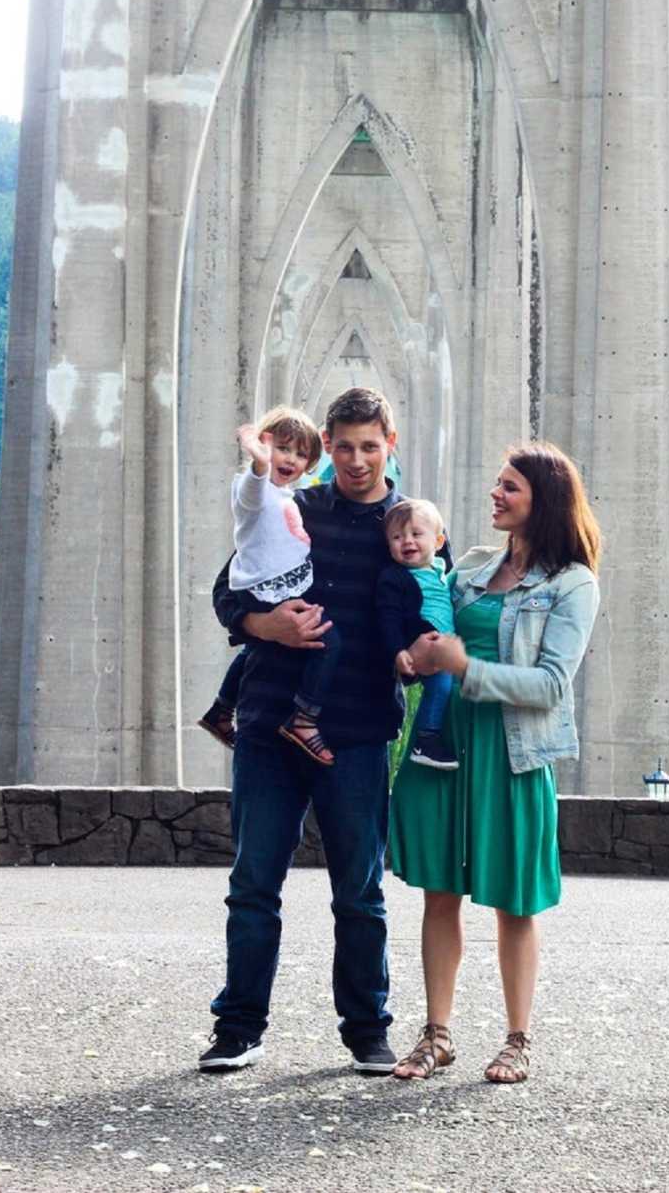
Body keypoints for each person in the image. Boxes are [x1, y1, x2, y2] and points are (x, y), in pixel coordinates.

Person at [199, 387, 405, 1075]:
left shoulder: (405, 528)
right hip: (266, 720)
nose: (354, 459)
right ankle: (238, 1029)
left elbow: (423, 611)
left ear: (390, 445)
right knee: (254, 882)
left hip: (357, 729)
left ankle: (368, 1030)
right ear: (326, 443)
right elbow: (227, 593)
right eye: (342, 446)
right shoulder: (294, 505)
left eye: (368, 446)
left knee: (360, 892)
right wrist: (264, 624)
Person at [389, 442, 601, 1085]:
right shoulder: (470, 567)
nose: (495, 494)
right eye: (497, 482)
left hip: (512, 754)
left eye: (509, 486)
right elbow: (424, 621)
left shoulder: (572, 583)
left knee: (514, 902)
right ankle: (437, 1036)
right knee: (439, 894)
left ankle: (518, 1040)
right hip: (442, 745)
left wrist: (464, 668)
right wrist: (409, 656)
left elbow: (550, 685)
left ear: (544, 499)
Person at [197, 406, 340, 766]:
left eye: (300, 453)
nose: (290, 458)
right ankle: (304, 719)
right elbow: (250, 493)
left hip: (280, 585)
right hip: (264, 588)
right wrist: (259, 464)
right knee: (328, 640)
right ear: (266, 446)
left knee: (253, 650)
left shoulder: (289, 497)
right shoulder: (256, 493)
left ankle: (220, 709)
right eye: (282, 448)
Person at [376, 499, 458, 770]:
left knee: (449, 689)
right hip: (420, 644)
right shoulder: (394, 577)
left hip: (444, 646)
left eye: (416, 534)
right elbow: (387, 618)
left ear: (438, 541)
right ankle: (426, 738)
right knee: (441, 685)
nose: (407, 541)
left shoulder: (440, 571)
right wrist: (398, 651)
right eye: (397, 537)